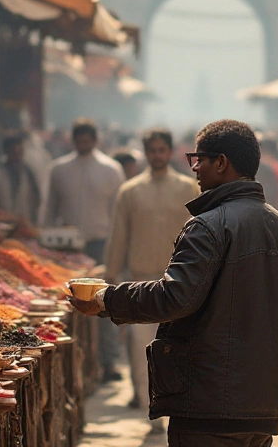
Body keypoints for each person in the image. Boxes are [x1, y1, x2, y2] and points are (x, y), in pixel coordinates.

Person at [68, 120, 278, 447]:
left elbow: (175, 297)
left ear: (221, 163)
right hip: (264, 408)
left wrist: (106, 299)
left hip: (210, 406)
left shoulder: (209, 226)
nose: (195, 169)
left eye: (199, 159)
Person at [105, 128, 199, 424]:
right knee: (140, 351)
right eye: (152, 150)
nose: (157, 155)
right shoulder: (130, 191)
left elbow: (201, 235)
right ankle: (152, 415)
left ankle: (180, 412)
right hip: (140, 285)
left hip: (181, 284)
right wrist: (109, 282)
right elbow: (119, 237)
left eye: (162, 150)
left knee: (183, 351)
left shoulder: (189, 189)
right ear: (145, 153)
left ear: (170, 152)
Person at [40, 118, 126, 382]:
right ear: (73, 140)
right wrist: (44, 238)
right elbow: (50, 207)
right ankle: (77, 362)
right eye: (79, 141)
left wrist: (117, 249)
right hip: (68, 246)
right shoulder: (59, 169)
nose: (83, 145)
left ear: (95, 140)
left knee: (105, 301)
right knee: (71, 304)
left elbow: (119, 213)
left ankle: (108, 361)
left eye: (88, 141)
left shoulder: (111, 169)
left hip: (101, 243)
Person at [0, 132, 42, 226]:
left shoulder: (29, 174)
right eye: (14, 152)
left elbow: (36, 202)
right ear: (7, 152)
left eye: (19, 152)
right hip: (1, 229)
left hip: (25, 228)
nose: (17, 156)